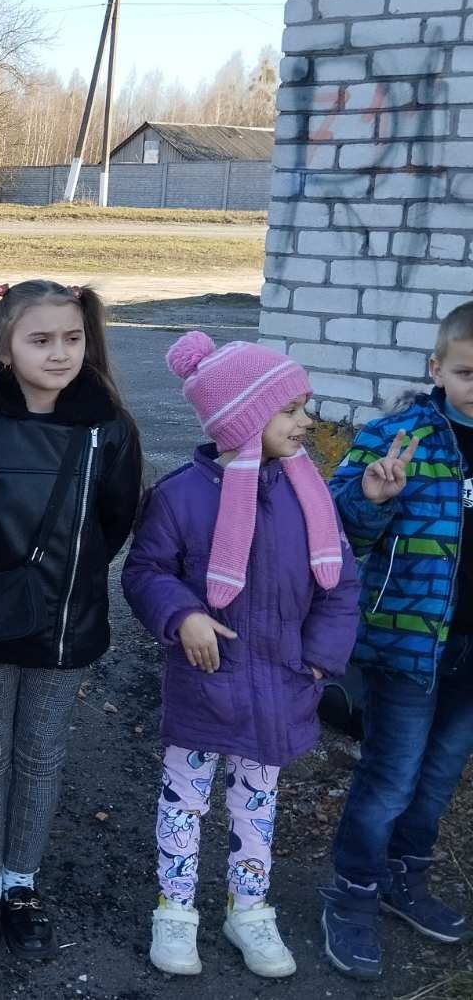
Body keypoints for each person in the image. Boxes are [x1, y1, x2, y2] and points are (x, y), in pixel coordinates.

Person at [0, 280, 141, 963]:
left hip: (67, 626)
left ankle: (22, 880)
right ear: (4, 347)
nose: (61, 352)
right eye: (41, 339)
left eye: (72, 338)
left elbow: (115, 520)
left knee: (41, 754)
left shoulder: (111, 428)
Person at [124, 333, 359, 980]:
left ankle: (247, 906)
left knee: (256, 803)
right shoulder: (181, 495)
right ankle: (176, 907)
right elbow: (145, 571)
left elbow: (340, 583)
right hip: (206, 683)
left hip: (281, 684)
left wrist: (318, 659)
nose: (306, 421)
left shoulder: (310, 497)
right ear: (245, 417)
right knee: (185, 801)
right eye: (290, 409)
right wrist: (183, 614)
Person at [322, 300, 473, 979]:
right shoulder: (398, 436)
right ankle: (351, 892)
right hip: (408, 646)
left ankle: (403, 878)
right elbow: (334, 532)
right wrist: (373, 497)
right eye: (469, 371)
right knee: (390, 776)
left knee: (438, 776)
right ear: (436, 367)